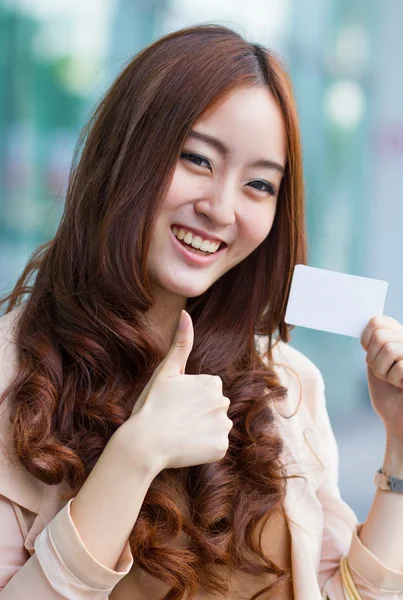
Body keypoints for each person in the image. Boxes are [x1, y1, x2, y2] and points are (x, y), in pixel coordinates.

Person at [0, 23, 403, 600]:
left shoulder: (286, 385)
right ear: (126, 152)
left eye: (260, 185)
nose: (221, 208)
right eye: (197, 158)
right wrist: (135, 456)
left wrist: (400, 445)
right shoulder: (12, 378)